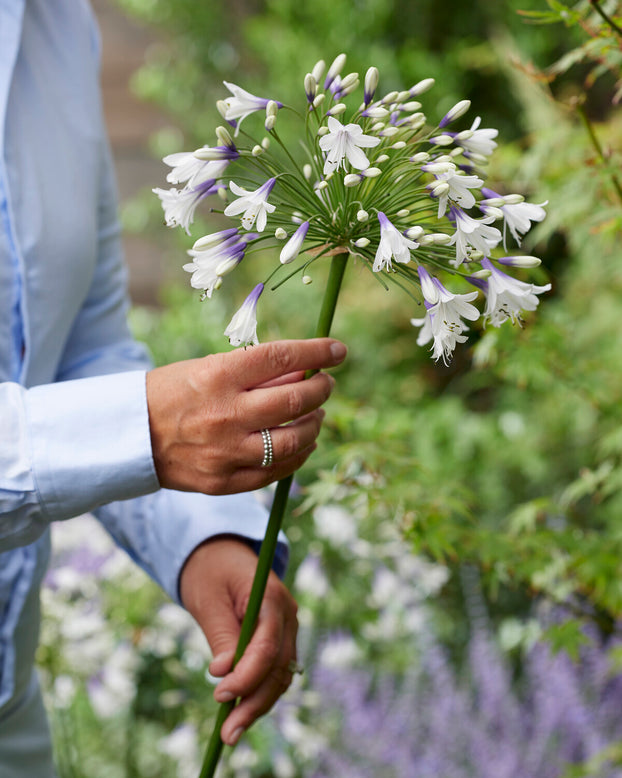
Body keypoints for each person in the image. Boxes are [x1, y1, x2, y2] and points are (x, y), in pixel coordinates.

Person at [0, 1, 347, 775]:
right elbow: (125, 416)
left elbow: (85, 347)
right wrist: (144, 431)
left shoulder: (55, 23)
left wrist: (205, 539)